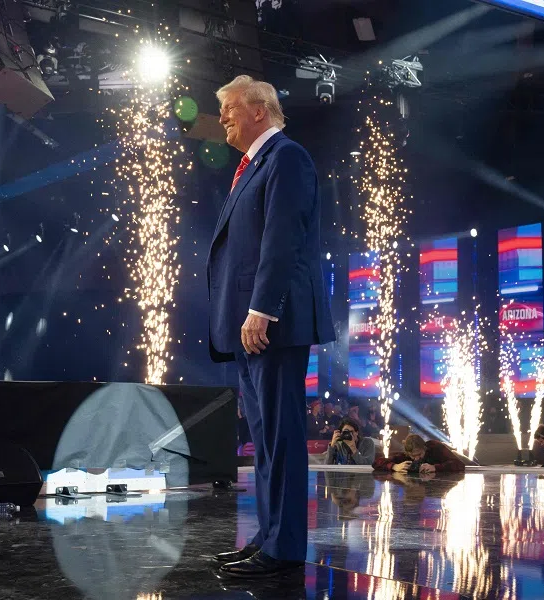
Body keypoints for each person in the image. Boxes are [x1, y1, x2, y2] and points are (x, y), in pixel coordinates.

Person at [208, 75, 335, 578]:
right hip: (249, 326)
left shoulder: (286, 157)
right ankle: (268, 537)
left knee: (281, 440)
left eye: (229, 108)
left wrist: (262, 308)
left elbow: (283, 238)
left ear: (259, 110)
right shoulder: (252, 166)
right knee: (265, 443)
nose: (221, 118)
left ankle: (283, 550)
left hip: (271, 323)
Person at [372, 434, 465, 475]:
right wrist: (394, 466)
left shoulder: (435, 447)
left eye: (419, 454)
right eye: (413, 456)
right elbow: (377, 463)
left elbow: (459, 464)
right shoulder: (406, 456)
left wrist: (435, 467)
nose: (416, 459)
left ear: (424, 448)